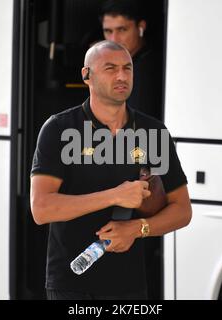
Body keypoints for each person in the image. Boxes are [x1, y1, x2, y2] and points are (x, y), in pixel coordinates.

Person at [30, 40, 191, 300]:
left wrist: (138, 228)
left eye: (127, 68)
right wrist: (115, 195)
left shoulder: (153, 132)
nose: (121, 76)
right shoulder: (58, 129)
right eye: (110, 68)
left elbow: (182, 210)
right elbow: (42, 209)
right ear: (86, 75)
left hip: (129, 286)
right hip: (71, 284)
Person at [99, 0, 162, 119]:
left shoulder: (147, 70)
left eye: (122, 30)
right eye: (108, 31)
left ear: (141, 27)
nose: (113, 39)